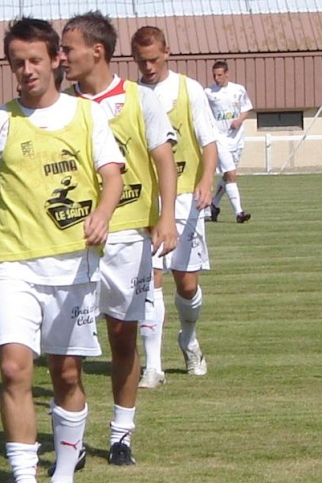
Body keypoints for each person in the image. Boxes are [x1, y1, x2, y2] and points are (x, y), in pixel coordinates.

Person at [0, 17, 124, 483]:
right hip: (14, 265)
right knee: (14, 367)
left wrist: (103, 214)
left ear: (57, 60)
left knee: (66, 373)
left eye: (35, 60)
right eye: (17, 62)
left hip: (73, 266)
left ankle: (62, 473)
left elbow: (111, 176)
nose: (26, 70)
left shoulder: (86, 117)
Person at [60, 11, 179, 465]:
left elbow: (163, 160)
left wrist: (166, 218)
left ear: (97, 51)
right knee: (69, 343)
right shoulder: (64, 107)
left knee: (122, 336)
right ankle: (73, 438)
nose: (61, 57)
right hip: (76, 240)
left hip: (129, 235)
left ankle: (121, 434)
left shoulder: (138, 99)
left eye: (67, 49)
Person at [130, 26, 219, 388]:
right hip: (147, 200)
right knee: (150, 278)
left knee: (186, 284)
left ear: (167, 52)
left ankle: (189, 338)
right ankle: (153, 366)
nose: (148, 66)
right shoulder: (131, 96)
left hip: (185, 197)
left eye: (153, 59)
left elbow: (209, 141)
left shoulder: (189, 90)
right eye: (141, 60)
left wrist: (205, 180)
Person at [205, 60, 253, 223]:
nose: (217, 78)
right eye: (214, 75)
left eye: (219, 75)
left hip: (237, 138)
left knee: (227, 176)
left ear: (227, 74)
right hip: (219, 138)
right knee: (232, 174)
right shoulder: (208, 93)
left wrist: (239, 120)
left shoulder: (238, 90)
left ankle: (213, 206)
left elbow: (246, 108)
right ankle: (239, 213)